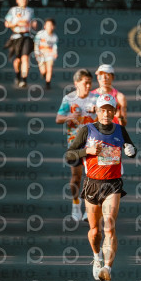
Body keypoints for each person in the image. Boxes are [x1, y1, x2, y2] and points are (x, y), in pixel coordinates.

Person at [64, 94, 137, 281]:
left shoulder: (120, 130)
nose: (106, 114)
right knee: (95, 231)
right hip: (92, 184)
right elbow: (69, 155)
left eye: (109, 110)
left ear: (114, 112)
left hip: (113, 184)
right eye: (102, 110)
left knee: (109, 227)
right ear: (97, 111)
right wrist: (86, 152)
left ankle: (107, 268)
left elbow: (130, 147)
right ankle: (97, 257)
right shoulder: (86, 130)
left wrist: (131, 150)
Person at [56, 69, 97, 222]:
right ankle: (75, 204)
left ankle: (88, 208)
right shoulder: (69, 99)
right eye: (85, 83)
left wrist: (98, 110)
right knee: (76, 177)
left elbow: (108, 115)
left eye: (90, 83)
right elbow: (58, 118)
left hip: (93, 143)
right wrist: (69, 117)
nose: (88, 86)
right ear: (76, 83)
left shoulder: (96, 98)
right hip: (75, 144)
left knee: (92, 177)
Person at [4, 0, 36, 87]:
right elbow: (7, 23)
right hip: (16, 37)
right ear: (17, 0)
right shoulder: (13, 10)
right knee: (17, 60)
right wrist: (16, 24)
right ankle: (17, 75)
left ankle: (24, 79)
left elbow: (34, 23)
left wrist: (32, 24)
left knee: (25, 58)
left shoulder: (30, 11)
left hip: (27, 36)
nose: (24, 0)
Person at [34, 18, 59, 90]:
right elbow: (36, 44)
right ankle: (44, 74)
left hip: (49, 54)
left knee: (49, 67)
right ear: (45, 26)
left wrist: (55, 53)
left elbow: (55, 46)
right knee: (43, 70)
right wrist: (36, 52)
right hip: (40, 54)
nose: (49, 27)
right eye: (47, 25)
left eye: (51, 25)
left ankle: (48, 83)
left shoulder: (55, 37)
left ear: (53, 27)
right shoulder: (40, 34)